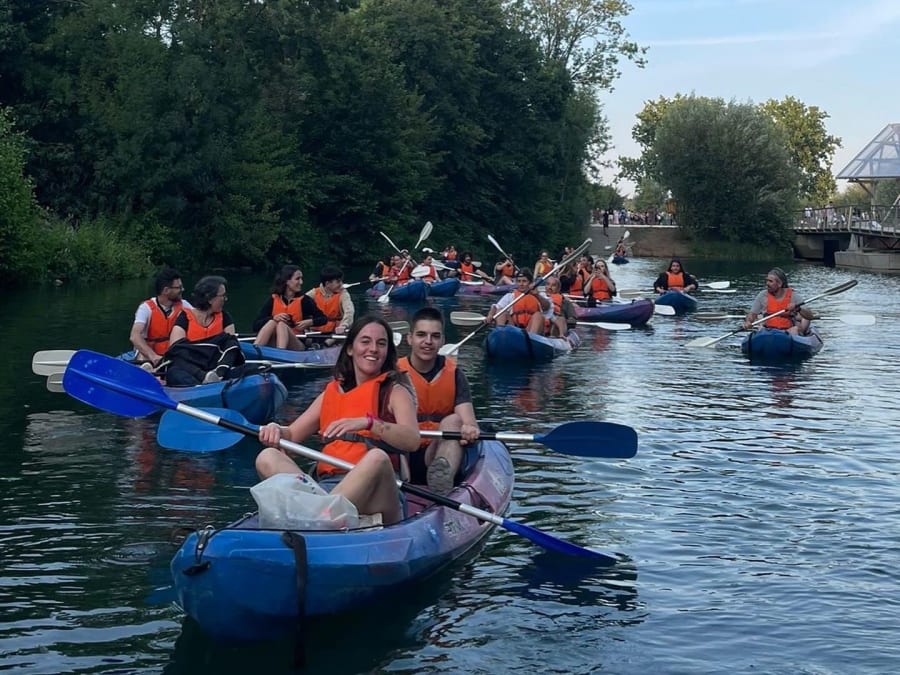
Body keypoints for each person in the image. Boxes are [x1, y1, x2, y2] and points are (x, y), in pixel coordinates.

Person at [255, 316, 421, 525]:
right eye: (365, 341)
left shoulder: (395, 391)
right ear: (350, 348)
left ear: (387, 351)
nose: (373, 349)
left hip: (378, 494)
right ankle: (321, 514)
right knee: (267, 456)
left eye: (381, 343)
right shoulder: (331, 393)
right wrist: (275, 429)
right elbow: (291, 435)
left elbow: (413, 440)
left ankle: (316, 518)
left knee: (377, 458)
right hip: (328, 488)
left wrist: (369, 423)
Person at [398, 307, 480, 495]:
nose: (428, 342)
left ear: (442, 341)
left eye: (435, 336)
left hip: (437, 452)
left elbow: (468, 420)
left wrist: (469, 428)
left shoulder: (455, 375)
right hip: (404, 454)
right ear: (410, 339)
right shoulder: (394, 374)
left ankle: (442, 481)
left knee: (454, 421)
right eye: (421, 335)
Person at [166, 275, 239, 384]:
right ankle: (201, 386)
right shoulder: (184, 318)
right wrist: (201, 375)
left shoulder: (225, 317)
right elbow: (176, 351)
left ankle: (215, 380)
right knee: (174, 372)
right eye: (222, 296)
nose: (225, 299)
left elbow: (231, 347)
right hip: (191, 369)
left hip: (216, 368)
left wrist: (220, 372)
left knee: (250, 367)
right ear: (210, 299)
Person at [252, 265, 327, 350]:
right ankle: (255, 349)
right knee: (272, 322)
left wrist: (310, 322)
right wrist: (274, 317)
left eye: (301, 278)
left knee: (281, 325)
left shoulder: (305, 300)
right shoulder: (273, 299)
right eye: (297, 279)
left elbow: (323, 319)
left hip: (296, 343)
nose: (301, 282)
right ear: (287, 281)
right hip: (274, 342)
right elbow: (255, 326)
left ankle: (281, 352)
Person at [129, 268, 192, 367]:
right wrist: (153, 356)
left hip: (174, 353)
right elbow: (134, 336)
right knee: (144, 359)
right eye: (178, 287)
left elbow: (199, 319)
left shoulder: (184, 305)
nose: (182, 290)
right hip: (149, 355)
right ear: (166, 290)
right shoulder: (146, 308)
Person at [742, 268, 813, 336]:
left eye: (770, 281)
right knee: (761, 329)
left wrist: (798, 309)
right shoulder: (762, 295)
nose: (767, 283)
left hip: (788, 331)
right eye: (767, 281)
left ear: (780, 284)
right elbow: (752, 314)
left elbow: (809, 316)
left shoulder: (793, 296)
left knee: (795, 330)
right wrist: (748, 321)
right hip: (768, 330)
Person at [486, 267, 552, 335]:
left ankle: (532, 339)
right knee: (500, 311)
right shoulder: (510, 296)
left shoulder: (540, 295)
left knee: (538, 315)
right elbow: (495, 307)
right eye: (519, 281)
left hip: (531, 330)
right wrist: (490, 315)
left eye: (524, 281)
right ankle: (501, 335)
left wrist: (537, 295)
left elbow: (547, 307)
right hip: (515, 329)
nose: (521, 284)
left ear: (530, 283)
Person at [306, 265, 354, 335]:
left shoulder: (343, 294)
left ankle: (328, 343)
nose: (341, 284)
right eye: (338, 282)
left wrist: (343, 325)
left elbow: (349, 311)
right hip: (315, 331)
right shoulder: (313, 293)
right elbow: (299, 303)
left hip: (336, 331)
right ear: (327, 284)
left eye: (341, 281)